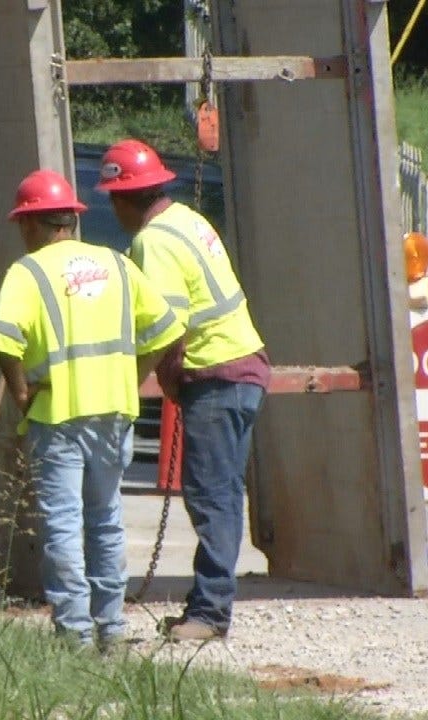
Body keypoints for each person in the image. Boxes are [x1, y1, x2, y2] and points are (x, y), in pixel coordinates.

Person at [0, 169, 184, 650]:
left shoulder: (28, 273)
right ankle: (111, 629)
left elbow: (5, 344)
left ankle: (74, 632)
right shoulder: (116, 264)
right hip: (114, 413)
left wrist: (19, 394)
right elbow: (167, 329)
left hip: (58, 416)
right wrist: (132, 376)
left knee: (62, 525)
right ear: (70, 220)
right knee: (106, 520)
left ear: (32, 224)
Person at [97, 138, 270, 641]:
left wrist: (136, 382)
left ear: (124, 198)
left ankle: (211, 613)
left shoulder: (153, 242)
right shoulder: (190, 219)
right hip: (242, 367)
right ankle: (209, 605)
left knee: (211, 495)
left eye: (112, 196)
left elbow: (165, 328)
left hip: (216, 373)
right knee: (219, 494)